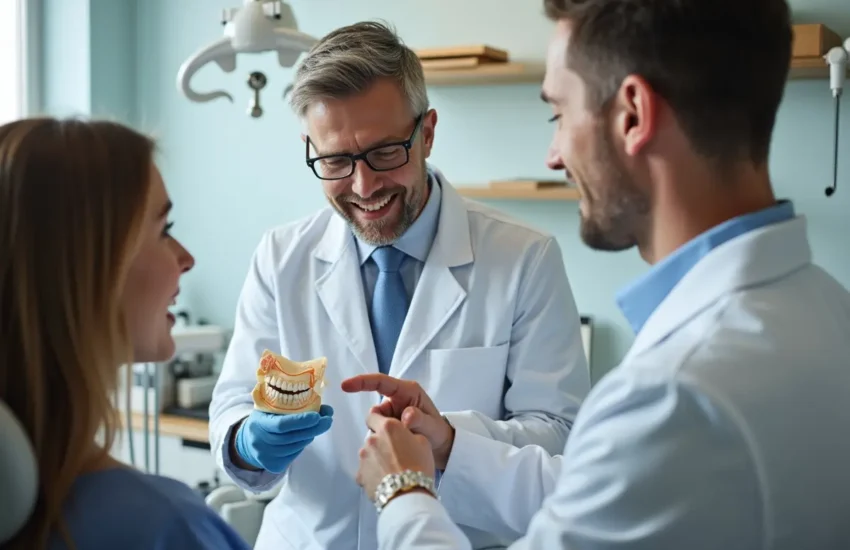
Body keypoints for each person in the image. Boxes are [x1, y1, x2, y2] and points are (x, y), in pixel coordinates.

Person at [343, 0, 850, 548]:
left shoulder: (672, 395)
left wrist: (401, 492)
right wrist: (450, 447)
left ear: (632, 114)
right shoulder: (827, 308)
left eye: (559, 114)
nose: (553, 156)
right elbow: (606, 490)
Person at [208, 20, 591, 550]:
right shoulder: (280, 257)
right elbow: (232, 403)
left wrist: (449, 442)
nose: (364, 187)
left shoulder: (525, 258)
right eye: (336, 160)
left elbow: (561, 439)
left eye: (385, 152)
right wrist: (249, 443)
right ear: (309, 147)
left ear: (427, 133)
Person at [0, 117, 251, 550]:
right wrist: (402, 492)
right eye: (164, 230)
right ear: (84, 270)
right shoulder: (162, 528)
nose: (186, 259)